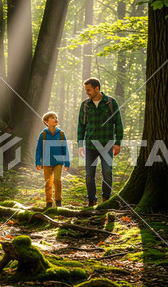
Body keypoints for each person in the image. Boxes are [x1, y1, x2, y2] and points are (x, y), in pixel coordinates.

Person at [77, 77, 123, 207]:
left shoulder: (110, 103)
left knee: (107, 172)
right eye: (86, 90)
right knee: (89, 175)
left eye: (89, 90)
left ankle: (106, 200)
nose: (87, 92)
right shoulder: (85, 105)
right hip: (90, 145)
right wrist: (80, 144)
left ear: (97, 88)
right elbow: (81, 126)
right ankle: (91, 201)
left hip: (107, 144)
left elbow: (118, 124)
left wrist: (118, 142)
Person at [35, 111, 70, 208]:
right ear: (46, 121)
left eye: (56, 117)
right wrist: (38, 162)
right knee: (48, 183)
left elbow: (65, 148)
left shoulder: (61, 134)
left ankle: (58, 201)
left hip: (58, 161)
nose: (55, 119)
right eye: (52, 118)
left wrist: (67, 162)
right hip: (46, 162)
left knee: (57, 180)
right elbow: (38, 149)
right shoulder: (43, 134)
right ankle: (49, 202)